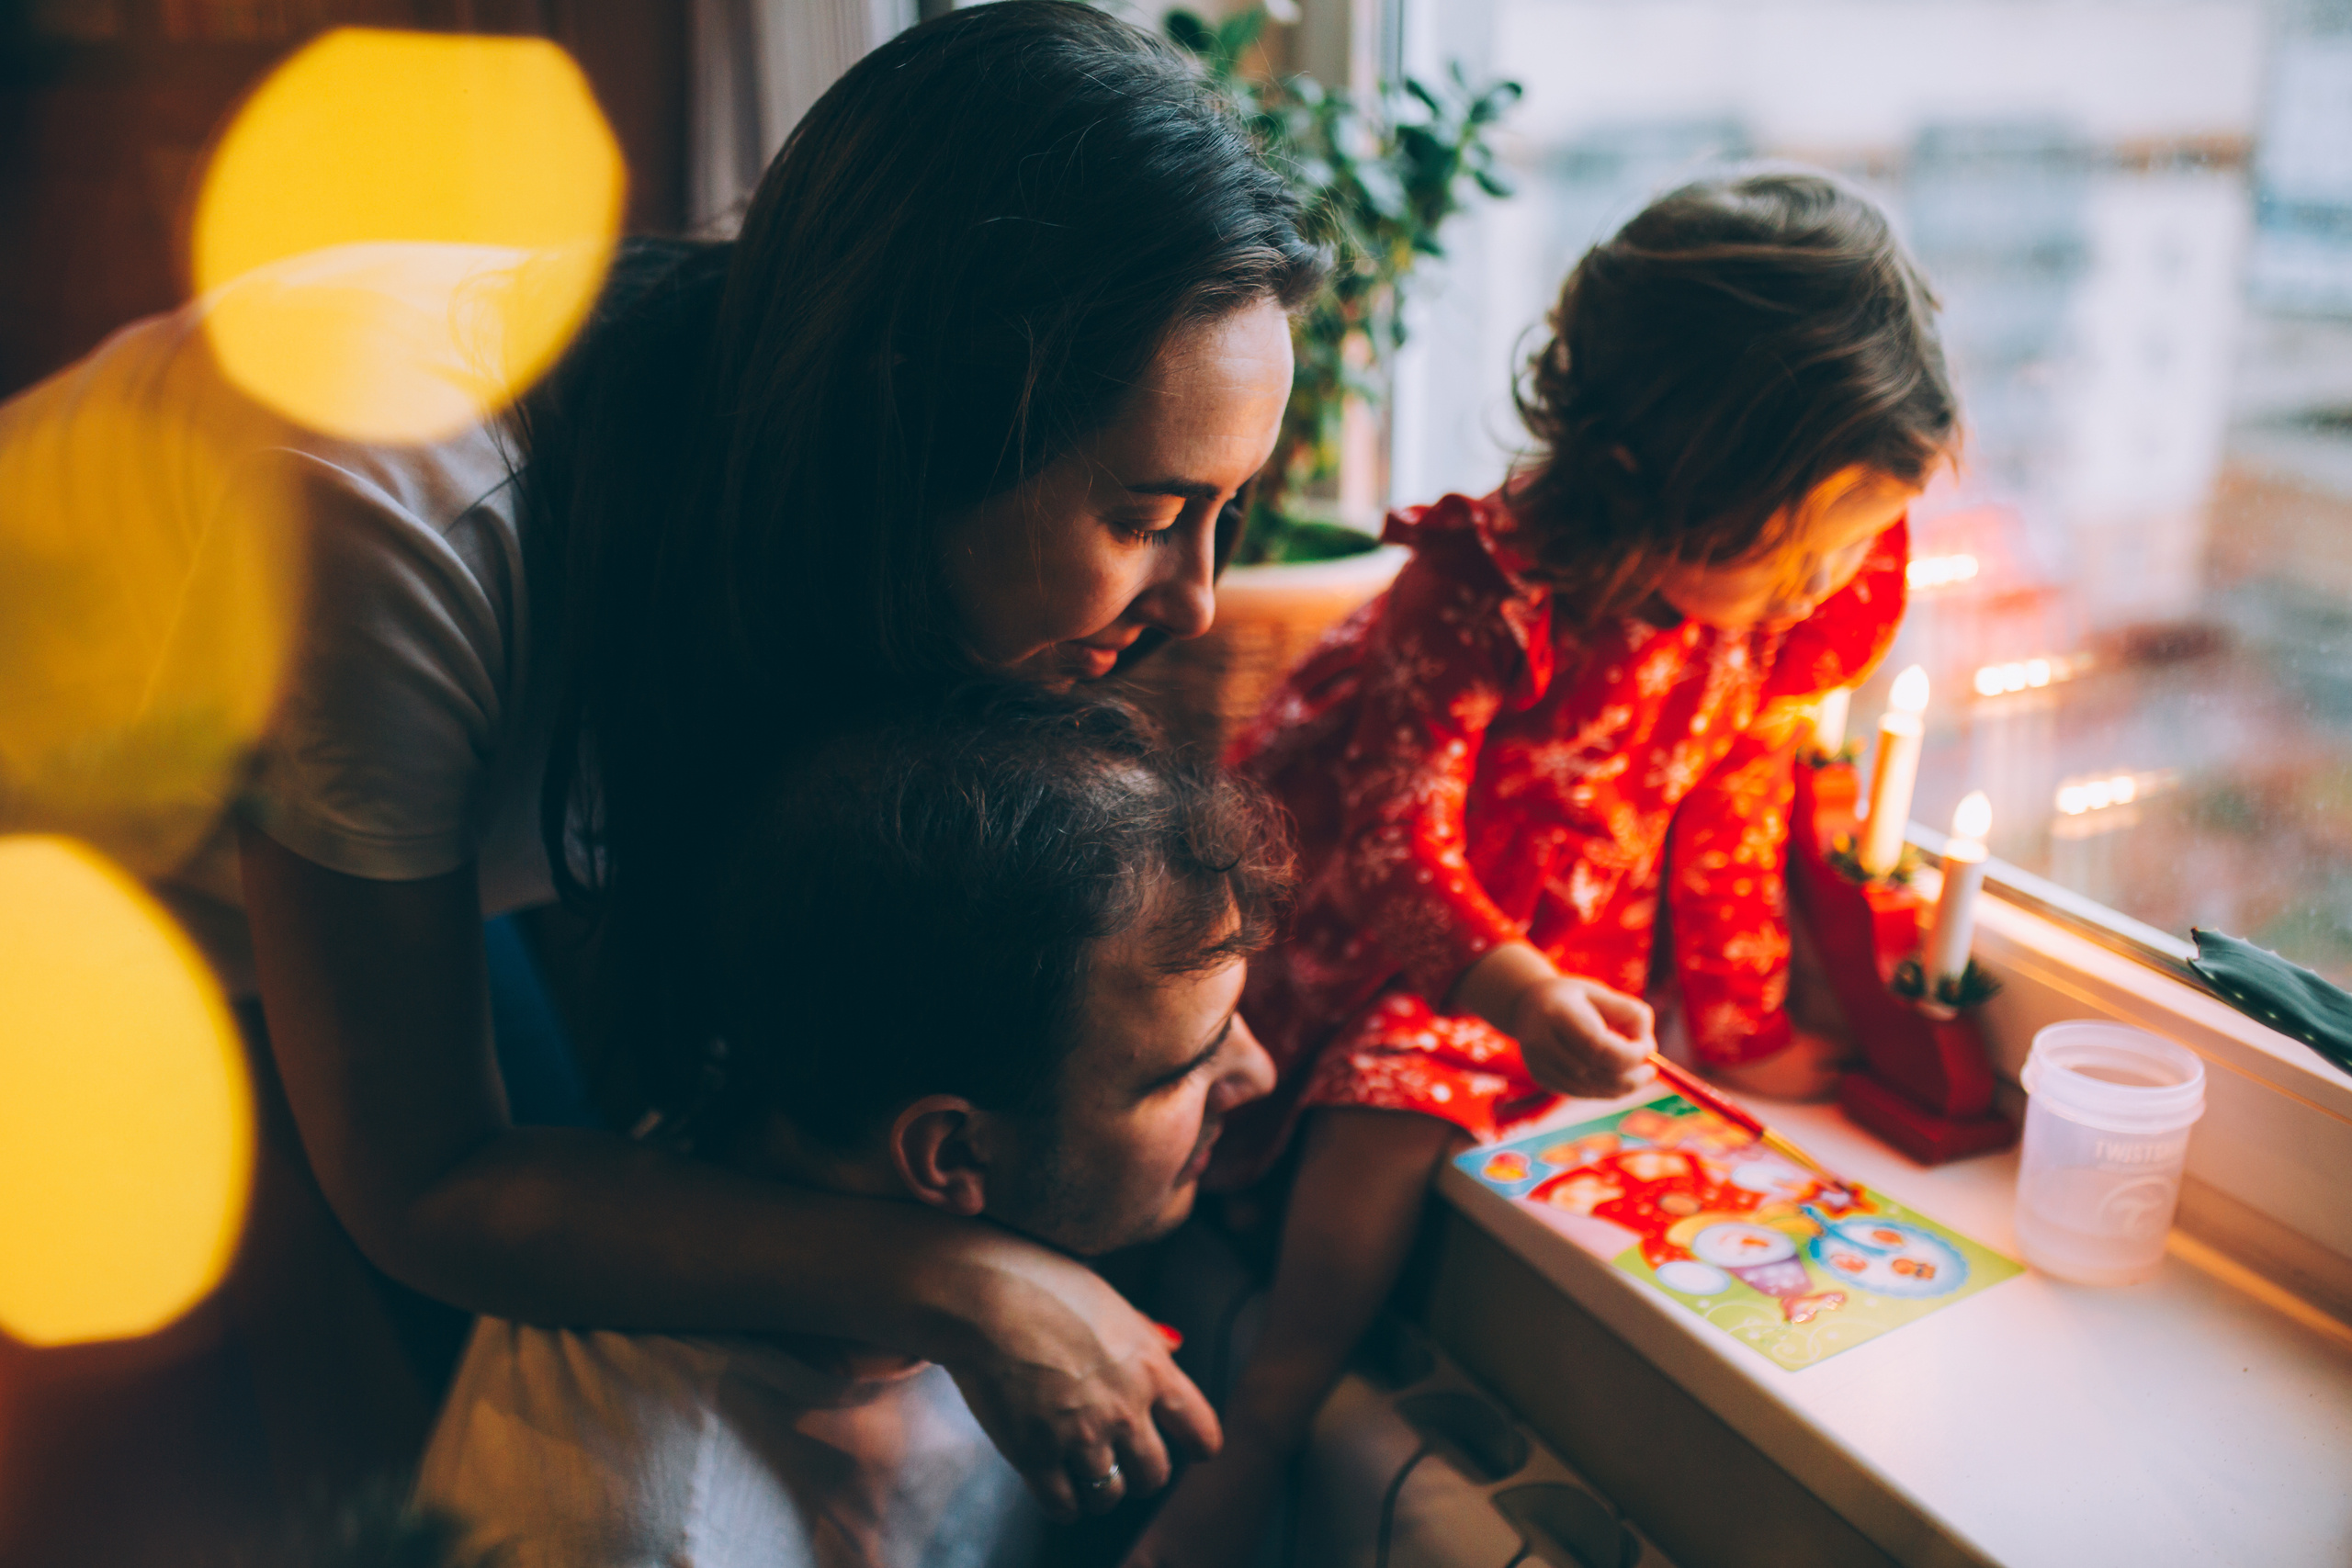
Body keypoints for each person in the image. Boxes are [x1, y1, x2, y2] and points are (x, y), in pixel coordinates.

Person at [0, 0, 1319, 1522]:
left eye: (1227, 513)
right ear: (919, 425)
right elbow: (424, 1178)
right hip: (69, 855)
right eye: (1149, 512)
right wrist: (955, 1276)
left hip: (317, 809)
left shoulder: (797, 448)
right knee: (392, 1446)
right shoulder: (398, 507)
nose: (1205, 596)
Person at [1125, 168, 1959, 1563]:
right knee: (1401, 1089)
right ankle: (1269, 1414)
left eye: (1847, 549)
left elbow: (1733, 797)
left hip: (1547, 935)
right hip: (1377, 920)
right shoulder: (1483, 587)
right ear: (1671, 476)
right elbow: (1396, 835)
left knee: (1465, 1059)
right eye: (1801, 545)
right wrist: (1508, 990)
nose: (1824, 587)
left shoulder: (1760, 610)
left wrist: (1743, 1024)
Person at [416, 684, 1286, 1567]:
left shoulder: (803, 1120)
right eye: (1185, 1067)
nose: (1259, 1072)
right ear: (952, 1153)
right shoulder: (661, 1533)